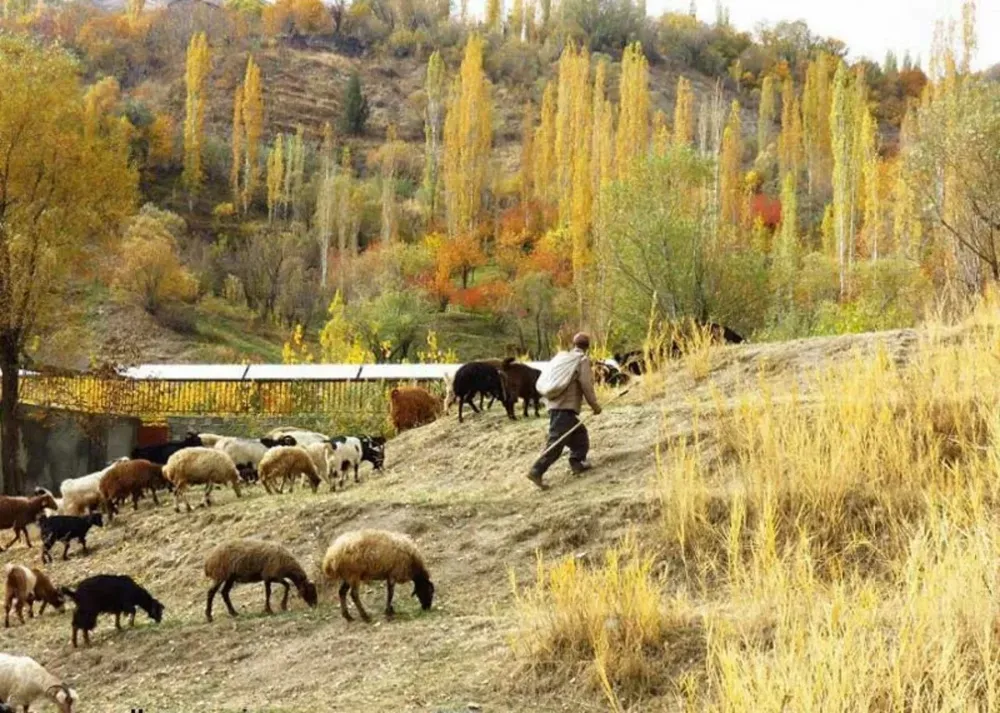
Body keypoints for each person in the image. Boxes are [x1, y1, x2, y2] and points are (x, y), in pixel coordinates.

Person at [527, 332, 602, 490]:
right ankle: (537, 470)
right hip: (565, 408)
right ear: (587, 347)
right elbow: (586, 385)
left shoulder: (562, 358)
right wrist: (595, 406)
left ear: (574, 344)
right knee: (557, 442)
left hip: (555, 405)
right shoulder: (582, 360)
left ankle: (577, 462)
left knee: (580, 435)